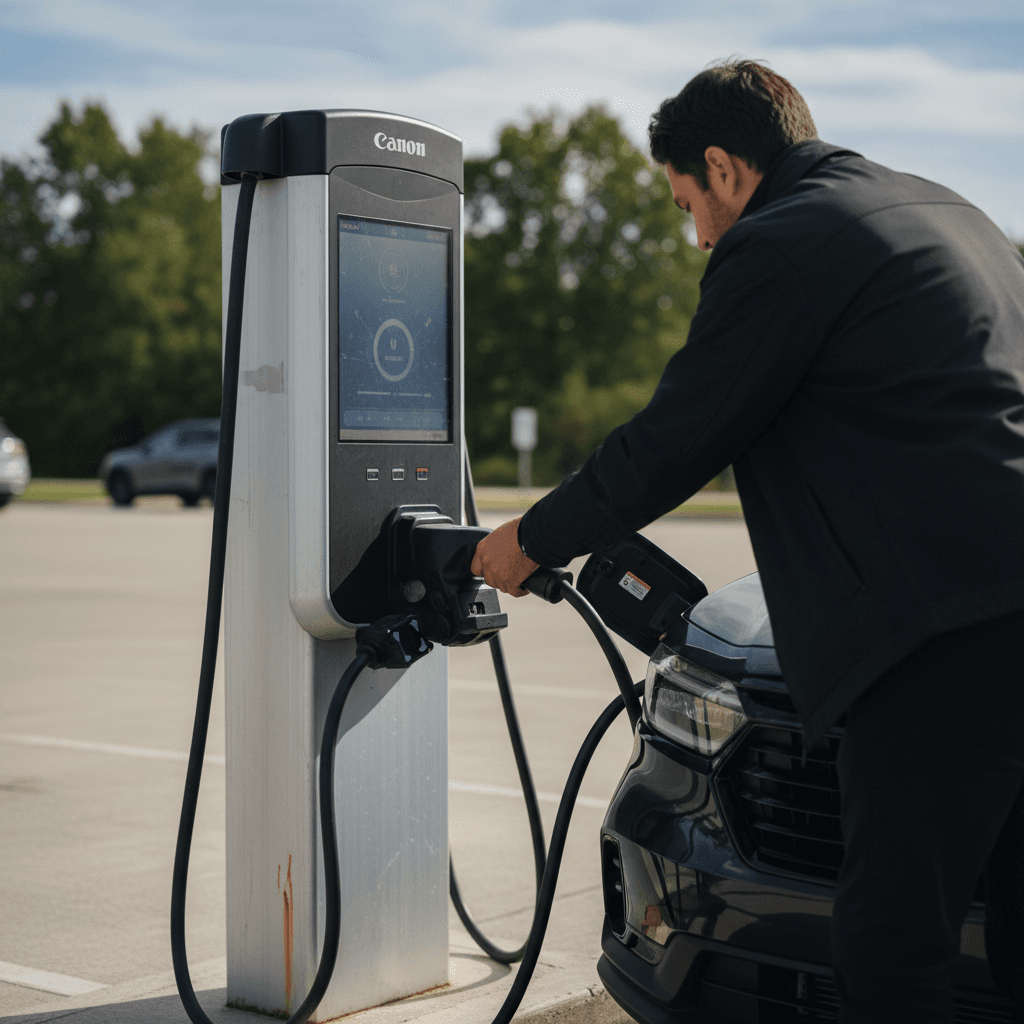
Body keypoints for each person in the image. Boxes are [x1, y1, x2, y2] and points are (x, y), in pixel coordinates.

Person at [471, 59, 1024, 1023]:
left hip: (950, 633)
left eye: (689, 203)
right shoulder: (954, 215)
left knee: (891, 950)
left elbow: (674, 440)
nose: (697, 235)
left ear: (723, 168)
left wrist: (529, 540)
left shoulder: (782, 241)